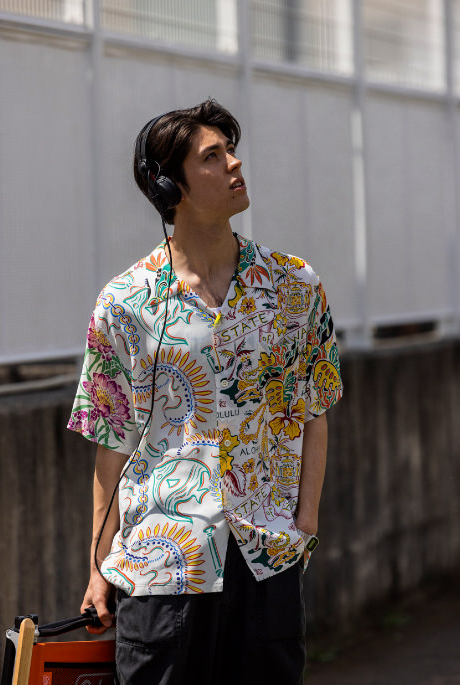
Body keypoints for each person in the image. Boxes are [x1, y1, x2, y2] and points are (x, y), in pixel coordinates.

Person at [68, 99, 343, 684]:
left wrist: (305, 526)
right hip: (161, 562)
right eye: (212, 157)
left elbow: (314, 409)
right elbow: (112, 441)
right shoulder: (125, 302)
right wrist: (98, 565)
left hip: (265, 557)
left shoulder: (294, 287)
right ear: (170, 186)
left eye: (231, 151)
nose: (234, 164)